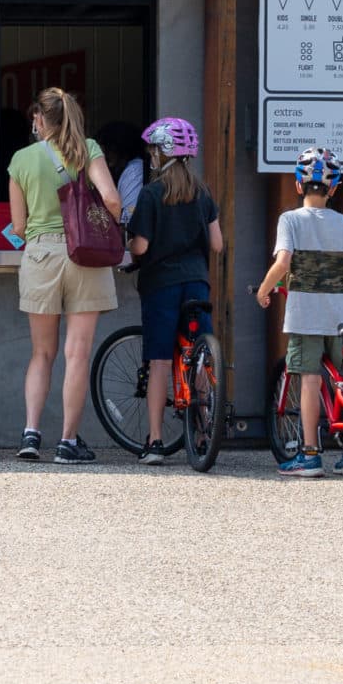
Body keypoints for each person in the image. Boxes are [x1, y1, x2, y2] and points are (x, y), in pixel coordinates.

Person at [8, 86, 122, 464]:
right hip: (84, 255)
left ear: (39, 119)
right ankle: (67, 442)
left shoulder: (21, 160)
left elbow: (19, 226)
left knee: (42, 353)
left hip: (41, 254)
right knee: (77, 354)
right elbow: (112, 200)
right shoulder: (87, 149)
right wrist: (111, 223)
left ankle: (30, 433)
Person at [256, 146, 343, 477]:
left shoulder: (290, 220)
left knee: (309, 379)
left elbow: (283, 263)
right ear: (334, 188)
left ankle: (309, 454)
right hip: (339, 317)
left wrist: (264, 291)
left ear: (298, 186)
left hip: (305, 315)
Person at [126, 117, 223, 466]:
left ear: (162, 152)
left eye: (153, 149)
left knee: (161, 362)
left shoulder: (151, 194)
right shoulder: (203, 193)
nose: (150, 155)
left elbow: (140, 246)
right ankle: (202, 433)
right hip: (196, 281)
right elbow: (217, 243)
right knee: (198, 358)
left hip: (161, 285)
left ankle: (154, 442)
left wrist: (130, 241)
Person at [96, 119, 148, 231]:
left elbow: (128, 219)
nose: (104, 155)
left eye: (107, 148)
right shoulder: (128, 170)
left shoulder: (134, 171)